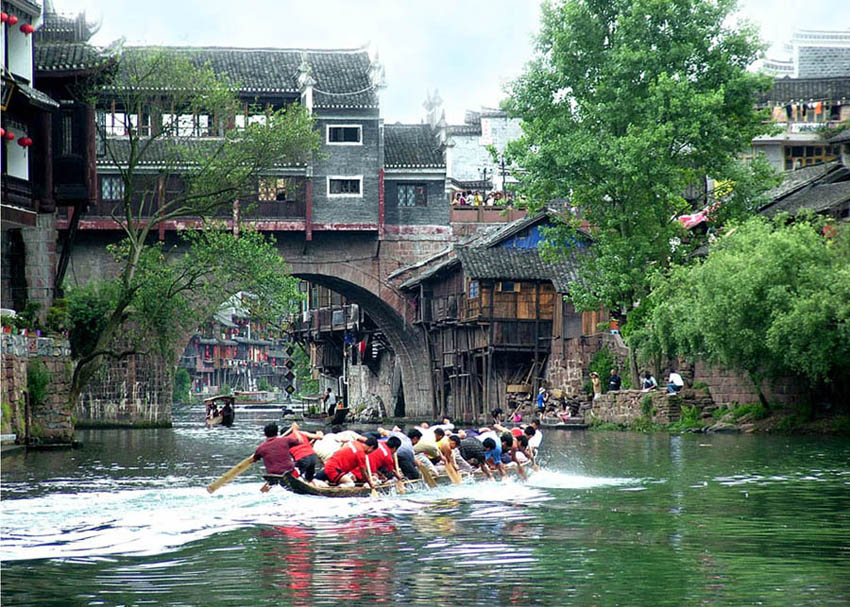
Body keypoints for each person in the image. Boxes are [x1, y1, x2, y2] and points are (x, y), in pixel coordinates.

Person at [253, 423, 301, 492]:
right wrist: (295, 430)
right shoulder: (285, 440)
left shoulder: (260, 448)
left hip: (272, 474)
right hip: (288, 471)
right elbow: (299, 441)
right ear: (276, 432)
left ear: (265, 434)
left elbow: (255, 459)